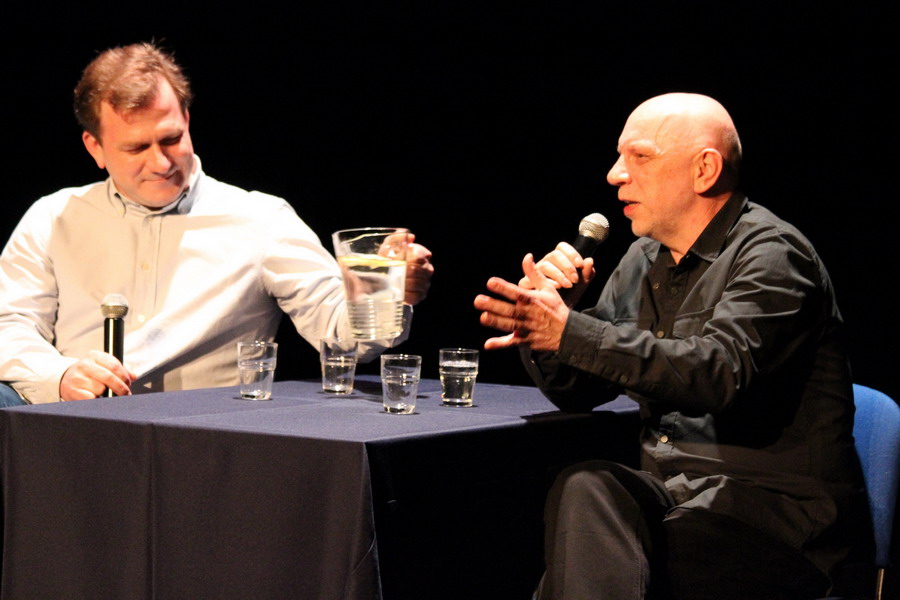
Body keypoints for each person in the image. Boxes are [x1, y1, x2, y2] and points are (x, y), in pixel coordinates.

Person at [474, 93, 871, 599]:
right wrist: (551, 326)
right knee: (586, 485)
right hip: (673, 500)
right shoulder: (643, 259)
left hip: (774, 522)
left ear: (705, 169)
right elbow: (580, 390)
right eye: (619, 157)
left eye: (639, 156)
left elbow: (717, 373)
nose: (615, 175)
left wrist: (570, 331)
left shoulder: (773, 254)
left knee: (582, 569)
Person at [0, 42, 433, 406]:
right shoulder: (53, 218)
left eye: (171, 138)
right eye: (136, 148)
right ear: (94, 147)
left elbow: (341, 336)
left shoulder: (261, 220)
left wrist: (386, 290)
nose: (160, 162)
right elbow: (9, 324)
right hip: (78, 428)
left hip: (206, 436)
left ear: (187, 121)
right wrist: (60, 376)